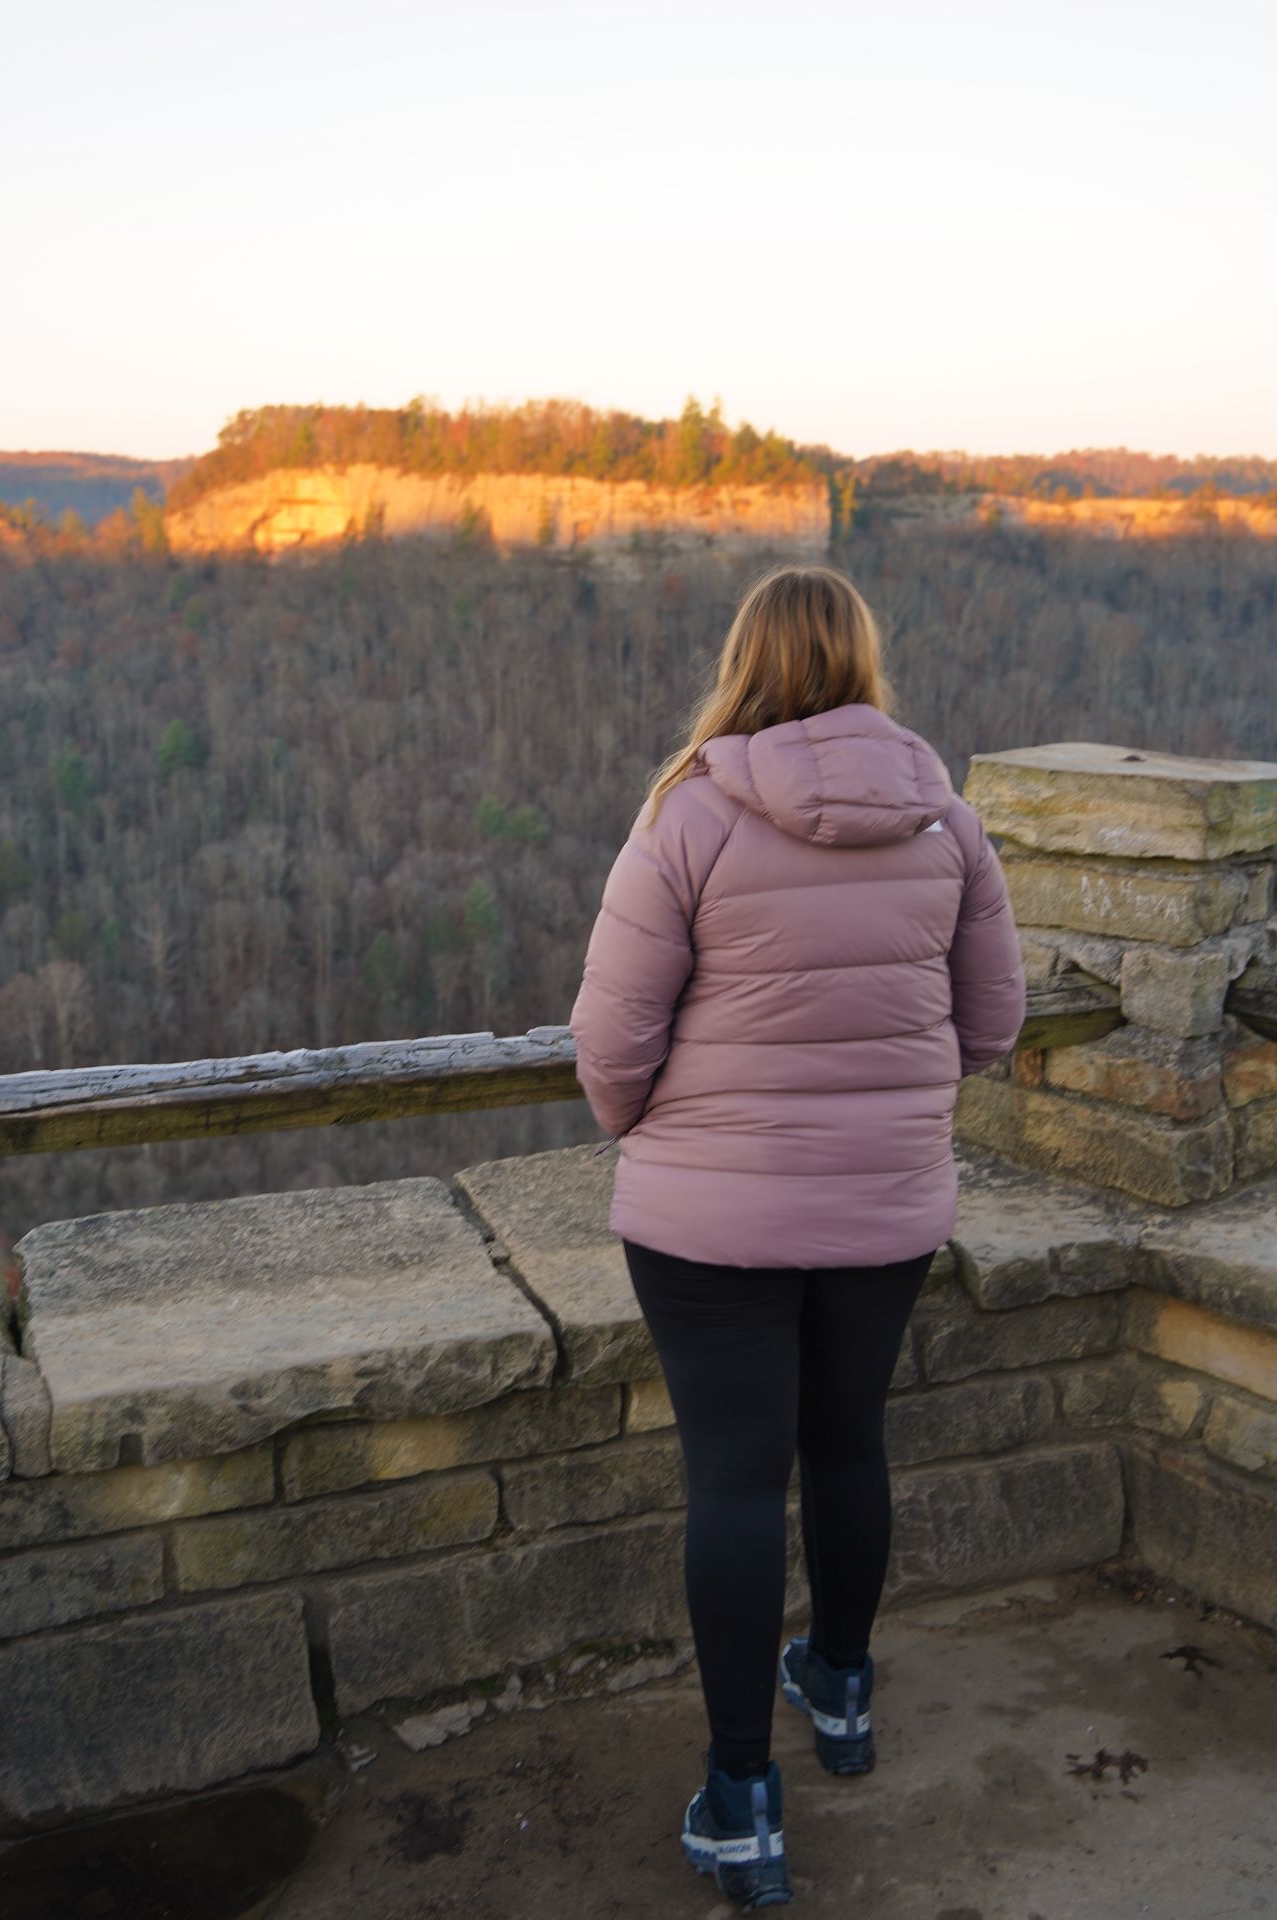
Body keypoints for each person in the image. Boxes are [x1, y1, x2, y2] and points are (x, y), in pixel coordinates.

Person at [568, 561, 1026, 1911]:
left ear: (747, 663)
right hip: (883, 1210)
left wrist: (670, 1130)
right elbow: (990, 1029)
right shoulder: (950, 828)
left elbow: (609, 1049)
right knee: (847, 1442)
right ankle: (839, 1693)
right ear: (864, 665)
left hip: (710, 1225)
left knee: (730, 1481)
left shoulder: (691, 821)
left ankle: (740, 1802)